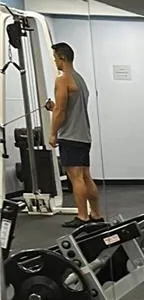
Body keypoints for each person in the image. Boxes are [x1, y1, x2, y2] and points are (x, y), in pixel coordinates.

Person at [46, 41, 101, 222]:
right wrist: (53, 107)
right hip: (84, 135)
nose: (55, 62)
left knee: (75, 177)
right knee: (85, 176)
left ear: (62, 58)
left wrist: (53, 133)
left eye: (55, 58)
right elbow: (67, 107)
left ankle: (82, 216)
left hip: (70, 135)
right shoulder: (79, 80)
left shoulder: (62, 79)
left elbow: (61, 112)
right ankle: (95, 214)